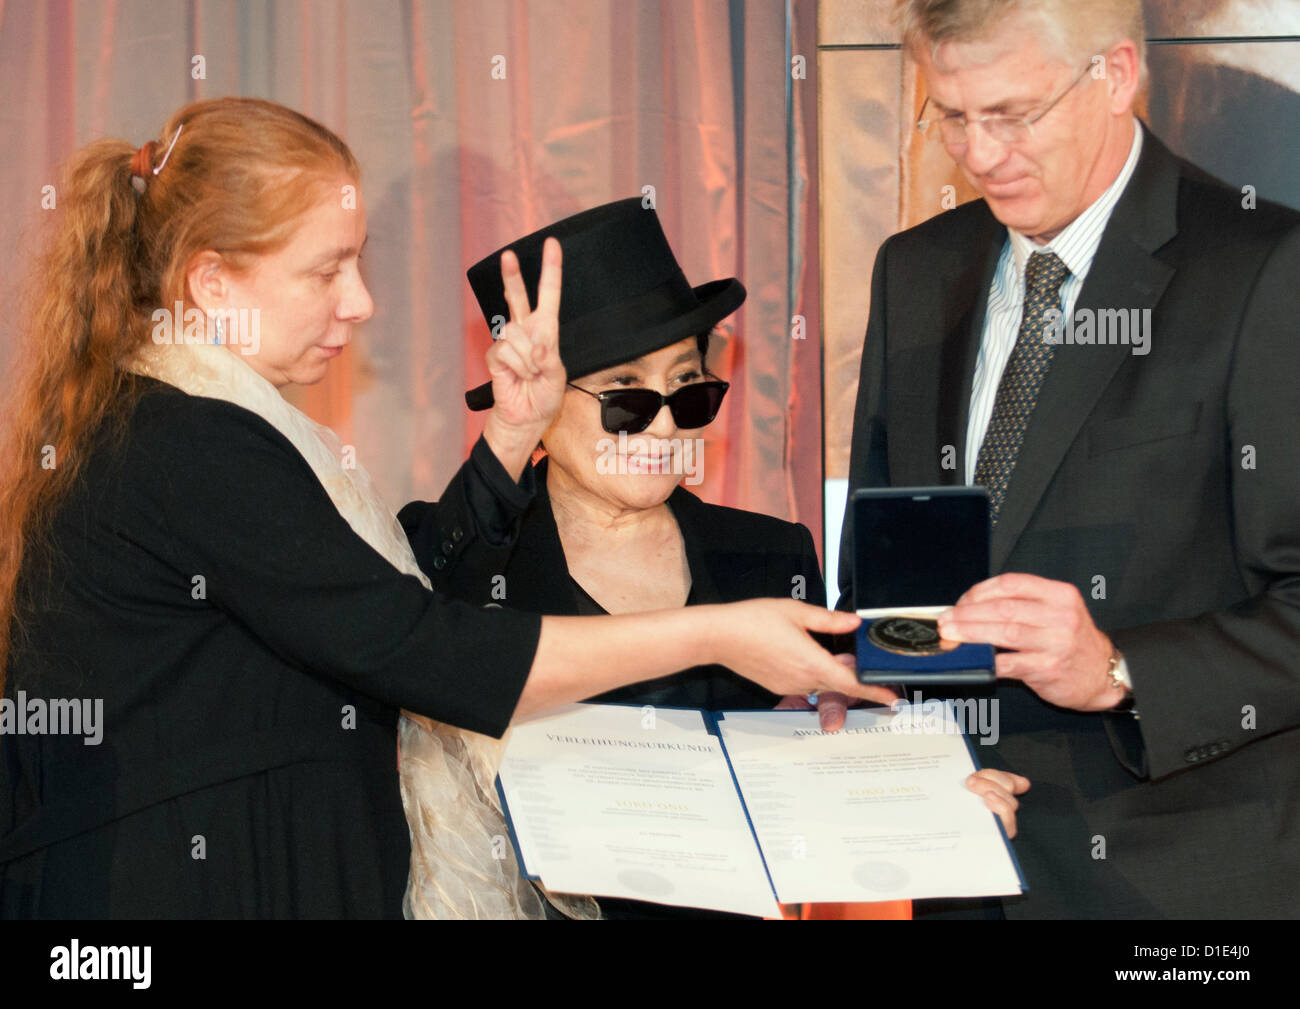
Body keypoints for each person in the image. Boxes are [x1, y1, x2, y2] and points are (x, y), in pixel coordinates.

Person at [0, 98, 879, 920]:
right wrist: (717, 633)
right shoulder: (186, 444)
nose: (361, 300)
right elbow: (420, 645)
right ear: (212, 283)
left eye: (361, 259)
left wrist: (509, 434)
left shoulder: (192, 423)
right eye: (326, 269)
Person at [398, 198, 1029, 919]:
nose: (665, 423)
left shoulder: (770, 556)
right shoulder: (473, 557)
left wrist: (931, 799)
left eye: (688, 388)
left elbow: (814, 771)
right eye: (625, 395)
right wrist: (507, 438)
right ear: (539, 402)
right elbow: (411, 626)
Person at [836, 0, 1300, 918]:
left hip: (1181, 890)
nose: (978, 152)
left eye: (1012, 113)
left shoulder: (1265, 270)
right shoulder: (914, 271)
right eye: (952, 115)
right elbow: (886, 582)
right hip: (958, 861)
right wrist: (866, 697)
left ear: (1116, 76)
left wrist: (1121, 667)